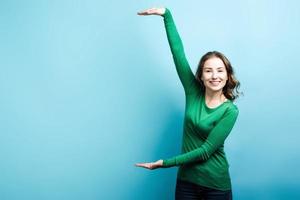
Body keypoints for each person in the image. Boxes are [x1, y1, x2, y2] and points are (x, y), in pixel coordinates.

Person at [135, 7, 241, 200]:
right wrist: (166, 15)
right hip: (186, 182)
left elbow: (205, 151)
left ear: (227, 75)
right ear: (201, 75)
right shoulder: (193, 92)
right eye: (208, 71)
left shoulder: (230, 111)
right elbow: (178, 54)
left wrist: (164, 163)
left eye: (220, 70)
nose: (214, 76)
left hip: (215, 185)